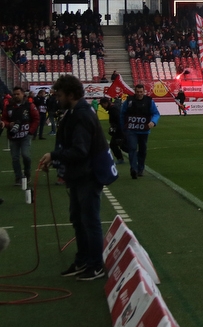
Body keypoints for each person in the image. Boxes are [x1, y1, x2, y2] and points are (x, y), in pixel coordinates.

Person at [38, 75, 108, 281]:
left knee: (90, 221)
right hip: (79, 175)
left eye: (59, 95)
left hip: (88, 175)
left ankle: (96, 265)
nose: (56, 98)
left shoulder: (82, 115)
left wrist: (55, 156)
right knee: (78, 220)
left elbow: (80, 150)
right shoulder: (74, 112)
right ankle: (83, 259)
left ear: (70, 94)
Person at [120, 84, 160, 179]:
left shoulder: (149, 101)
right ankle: (133, 169)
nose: (139, 94)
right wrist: (123, 128)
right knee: (132, 148)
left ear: (144, 91)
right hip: (131, 130)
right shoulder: (129, 100)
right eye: (137, 92)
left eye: (141, 92)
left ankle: (140, 168)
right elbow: (122, 114)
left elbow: (156, 113)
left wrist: (153, 122)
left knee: (143, 151)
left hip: (144, 131)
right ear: (135, 91)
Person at [2, 86, 39, 187]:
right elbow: (4, 119)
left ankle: (27, 173)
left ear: (23, 94)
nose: (16, 96)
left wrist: (31, 131)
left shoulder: (29, 105)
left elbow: (36, 118)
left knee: (26, 155)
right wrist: (8, 124)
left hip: (25, 135)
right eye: (14, 94)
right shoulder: (8, 106)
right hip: (13, 136)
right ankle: (18, 177)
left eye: (18, 94)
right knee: (15, 158)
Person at [102, 97, 126, 164]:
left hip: (119, 130)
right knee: (120, 145)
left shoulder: (113, 109)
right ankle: (123, 157)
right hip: (119, 130)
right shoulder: (113, 108)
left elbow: (118, 120)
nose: (102, 107)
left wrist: (116, 130)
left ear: (106, 103)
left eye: (102, 104)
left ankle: (121, 158)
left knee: (118, 145)